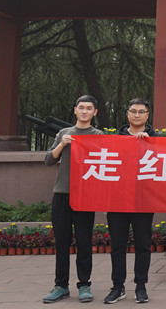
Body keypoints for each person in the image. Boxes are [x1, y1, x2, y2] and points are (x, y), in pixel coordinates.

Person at [43, 95, 103, 303]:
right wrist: (62, 144)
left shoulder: (98, 135)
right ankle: (61, 285)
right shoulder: (64, 133)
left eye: (89, 108)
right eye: (81, 107)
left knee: (84, 241)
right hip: (62, 194)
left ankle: (84, 285)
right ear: (75, 110)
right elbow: (48, 160)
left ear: (95, 112)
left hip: (85, 196)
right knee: (62, 241)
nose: (85, 111)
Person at [104, 98, 156, 304]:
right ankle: (117, 286)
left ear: (147, 115)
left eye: (141, 111)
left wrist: (149, 144)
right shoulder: (115, 139)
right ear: (127, 114)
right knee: (117, 245)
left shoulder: (157, 139)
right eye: (133, 111)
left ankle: (141, 286)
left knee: (143, 245)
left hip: (143, 201)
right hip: (117, 201)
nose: (137, 115)